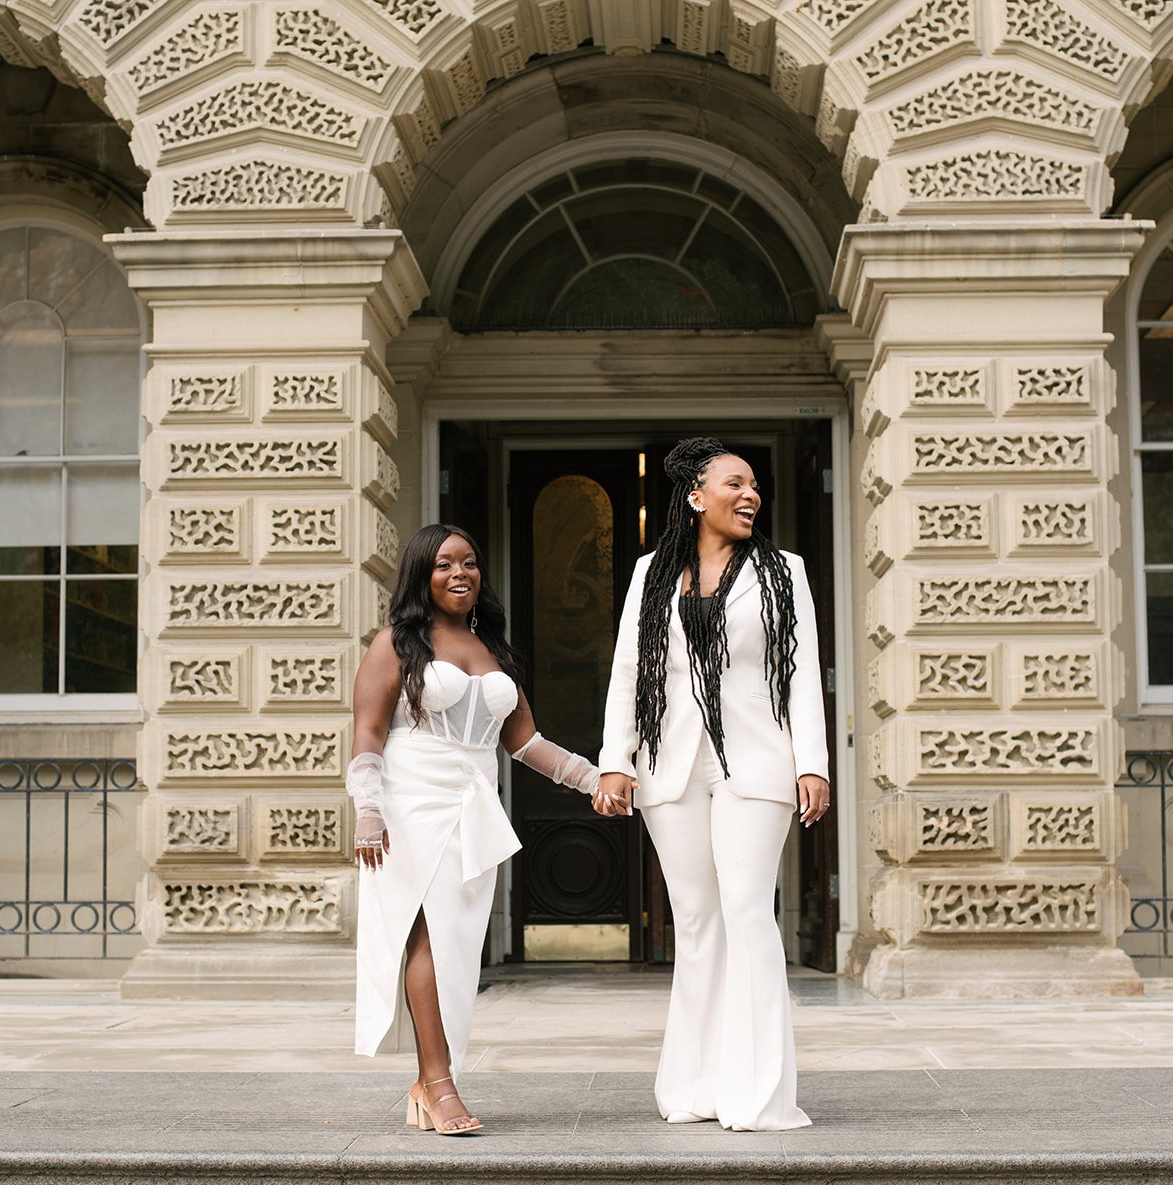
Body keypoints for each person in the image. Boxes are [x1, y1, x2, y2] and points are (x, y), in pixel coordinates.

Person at [594, 437, 830, 1131]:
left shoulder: (785, 571)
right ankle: (696, 1087)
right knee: (696, 923)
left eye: (755, 484)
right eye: (734, 482)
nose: (750, 493)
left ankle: (758, 1094)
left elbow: (802, 672)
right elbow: (629, 669)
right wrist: (616, 756)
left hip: (757, 763)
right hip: (671, 764)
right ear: (696, 496)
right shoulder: (651, 573)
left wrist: (810, 760)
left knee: (749, 911)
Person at [348, 522, 602, 1135]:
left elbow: (525, 742)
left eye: (468, 562)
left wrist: (595, 780)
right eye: (443, 564)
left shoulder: (495, 649)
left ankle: (428, 1078)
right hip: (409, 806)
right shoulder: (395, 644)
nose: (459, 573)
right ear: (420, 575)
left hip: (473, 809)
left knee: (460, 950)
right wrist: (368, 809)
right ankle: (439, 1084)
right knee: (426, 940)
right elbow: (368, 734)